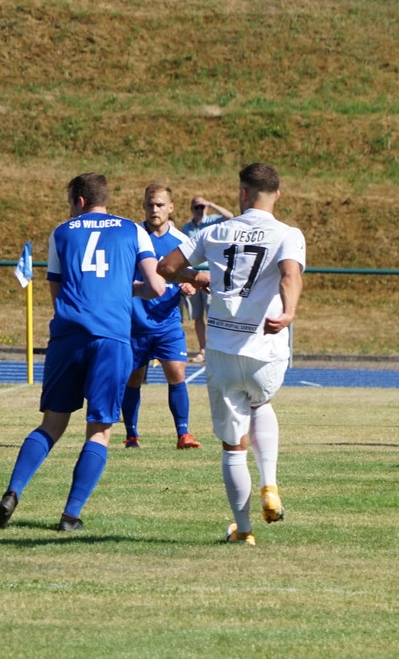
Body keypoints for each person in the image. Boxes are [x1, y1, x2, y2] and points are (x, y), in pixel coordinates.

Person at [0, 173, 165, 532]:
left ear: (79, 201)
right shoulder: (133, 229)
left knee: (51, 423)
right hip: (111, 338)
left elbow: (56, 290)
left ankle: (12, 492)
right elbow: (157, 287)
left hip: (68, 335)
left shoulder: (62, 231)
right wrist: (124, 289)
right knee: (99, 431)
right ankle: (70, 515)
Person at [157, 163, 305, 545]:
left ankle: (244, 529)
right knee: (262, 403)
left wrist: (196, 277)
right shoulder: (288, 233)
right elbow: (290, 275)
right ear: (277, 195)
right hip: (265, 346)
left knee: (232, 444)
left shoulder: (214, 231)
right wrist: (287, 313)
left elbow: (167, 267)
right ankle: (269, 484)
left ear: (242, 193)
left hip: (221, 349)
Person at [122, 183, 201, 450]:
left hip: (167, 323)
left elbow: (188, 278)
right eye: (149, 204)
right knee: (133, 379)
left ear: (171, 208)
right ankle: (131, 435)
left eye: (159, 205)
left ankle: (184, 434)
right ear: (143, 206)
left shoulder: (181, 242)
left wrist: (188, 286)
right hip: (134, 323)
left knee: (177, 373)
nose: (154, 209)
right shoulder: (131, 236)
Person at [180, 195, 234, 363]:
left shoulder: (213, 222)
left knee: (213, 314)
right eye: (196, 207)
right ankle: (203, 349)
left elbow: (230, 216)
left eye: (202, 207)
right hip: (194, 276)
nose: (199, 210)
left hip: (211, 275)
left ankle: (214, 349)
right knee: (197, 316)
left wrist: (211, 204)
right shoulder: (186, 228)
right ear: (191, 209)